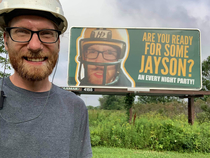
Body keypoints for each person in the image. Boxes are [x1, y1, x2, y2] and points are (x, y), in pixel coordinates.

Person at [0, 0, 92, 158]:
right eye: (22, 31)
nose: (35, 46)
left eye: (47, 33)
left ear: (58, 43)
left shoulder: (75, 108)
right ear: (6, 40)